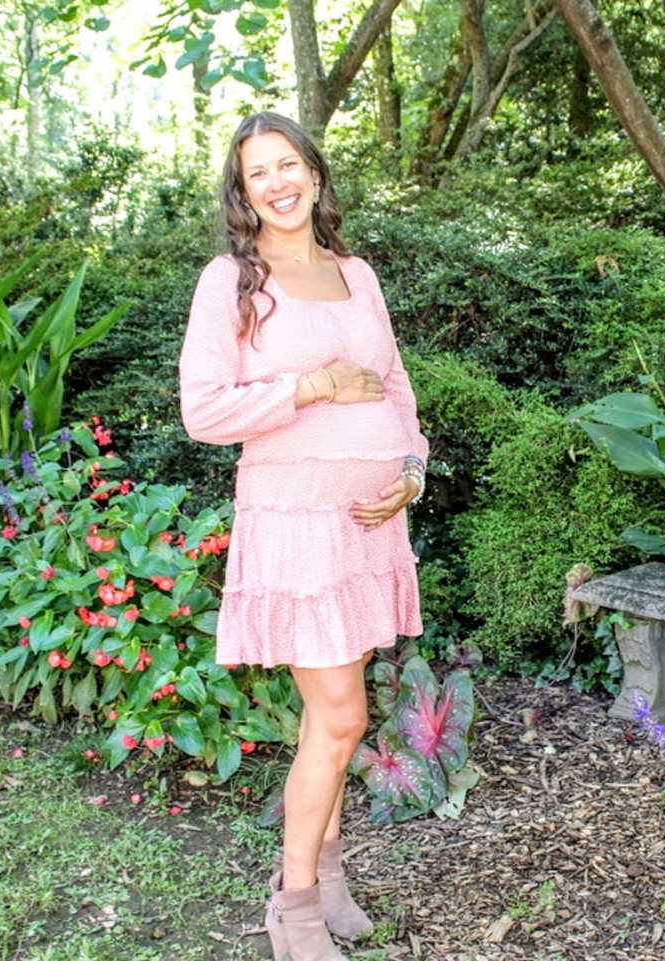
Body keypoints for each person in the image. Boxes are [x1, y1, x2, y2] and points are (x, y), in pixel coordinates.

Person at [178, 111, 429, 961]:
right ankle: (292, 911)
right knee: (342, 715)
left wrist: (411, 469)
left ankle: (324, 878)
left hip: (366, 526)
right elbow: (204, 409)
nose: (278, 182)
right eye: (259, 173)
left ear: (315, 174)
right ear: (242, 193)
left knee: (334, 718)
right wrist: (313, 384)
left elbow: (395, 384)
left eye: (289, 164)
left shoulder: (357, 273)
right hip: (295, 524)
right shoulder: (233, 281)